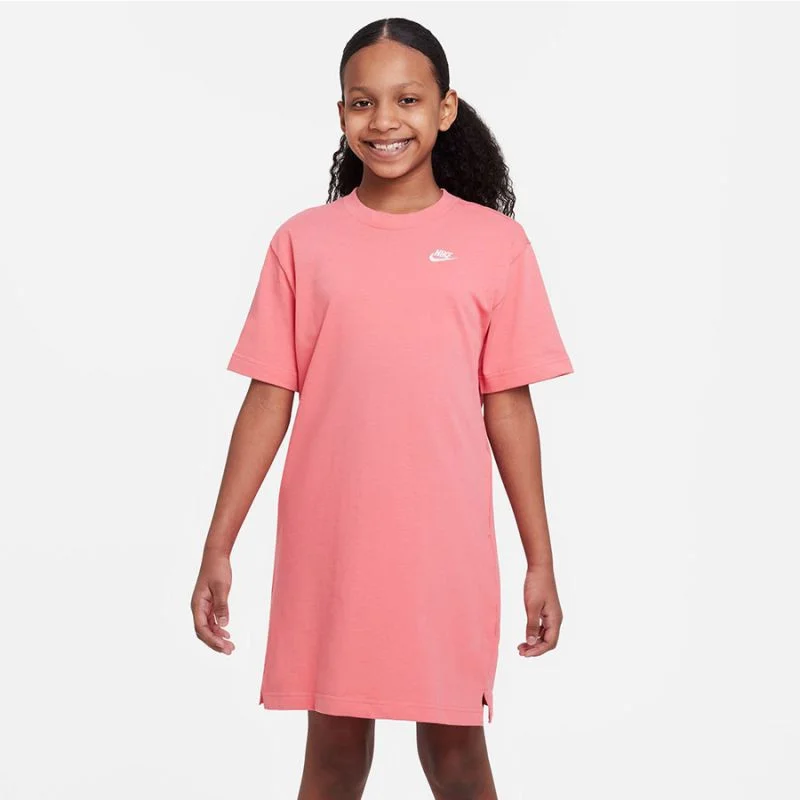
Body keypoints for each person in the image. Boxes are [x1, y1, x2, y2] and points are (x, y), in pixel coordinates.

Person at [191, 16, 574, 800]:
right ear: (341, 113)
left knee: (456, 753)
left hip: (444, 540)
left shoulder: (495, 244)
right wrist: (218, 544)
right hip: (333, 532)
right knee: (332, 753)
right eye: (362, 102)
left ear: (445, 108)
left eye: (407, 99)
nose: (384, 120)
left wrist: (540, 559)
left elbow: (509, 407)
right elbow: (269, 396)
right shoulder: (303, 242)